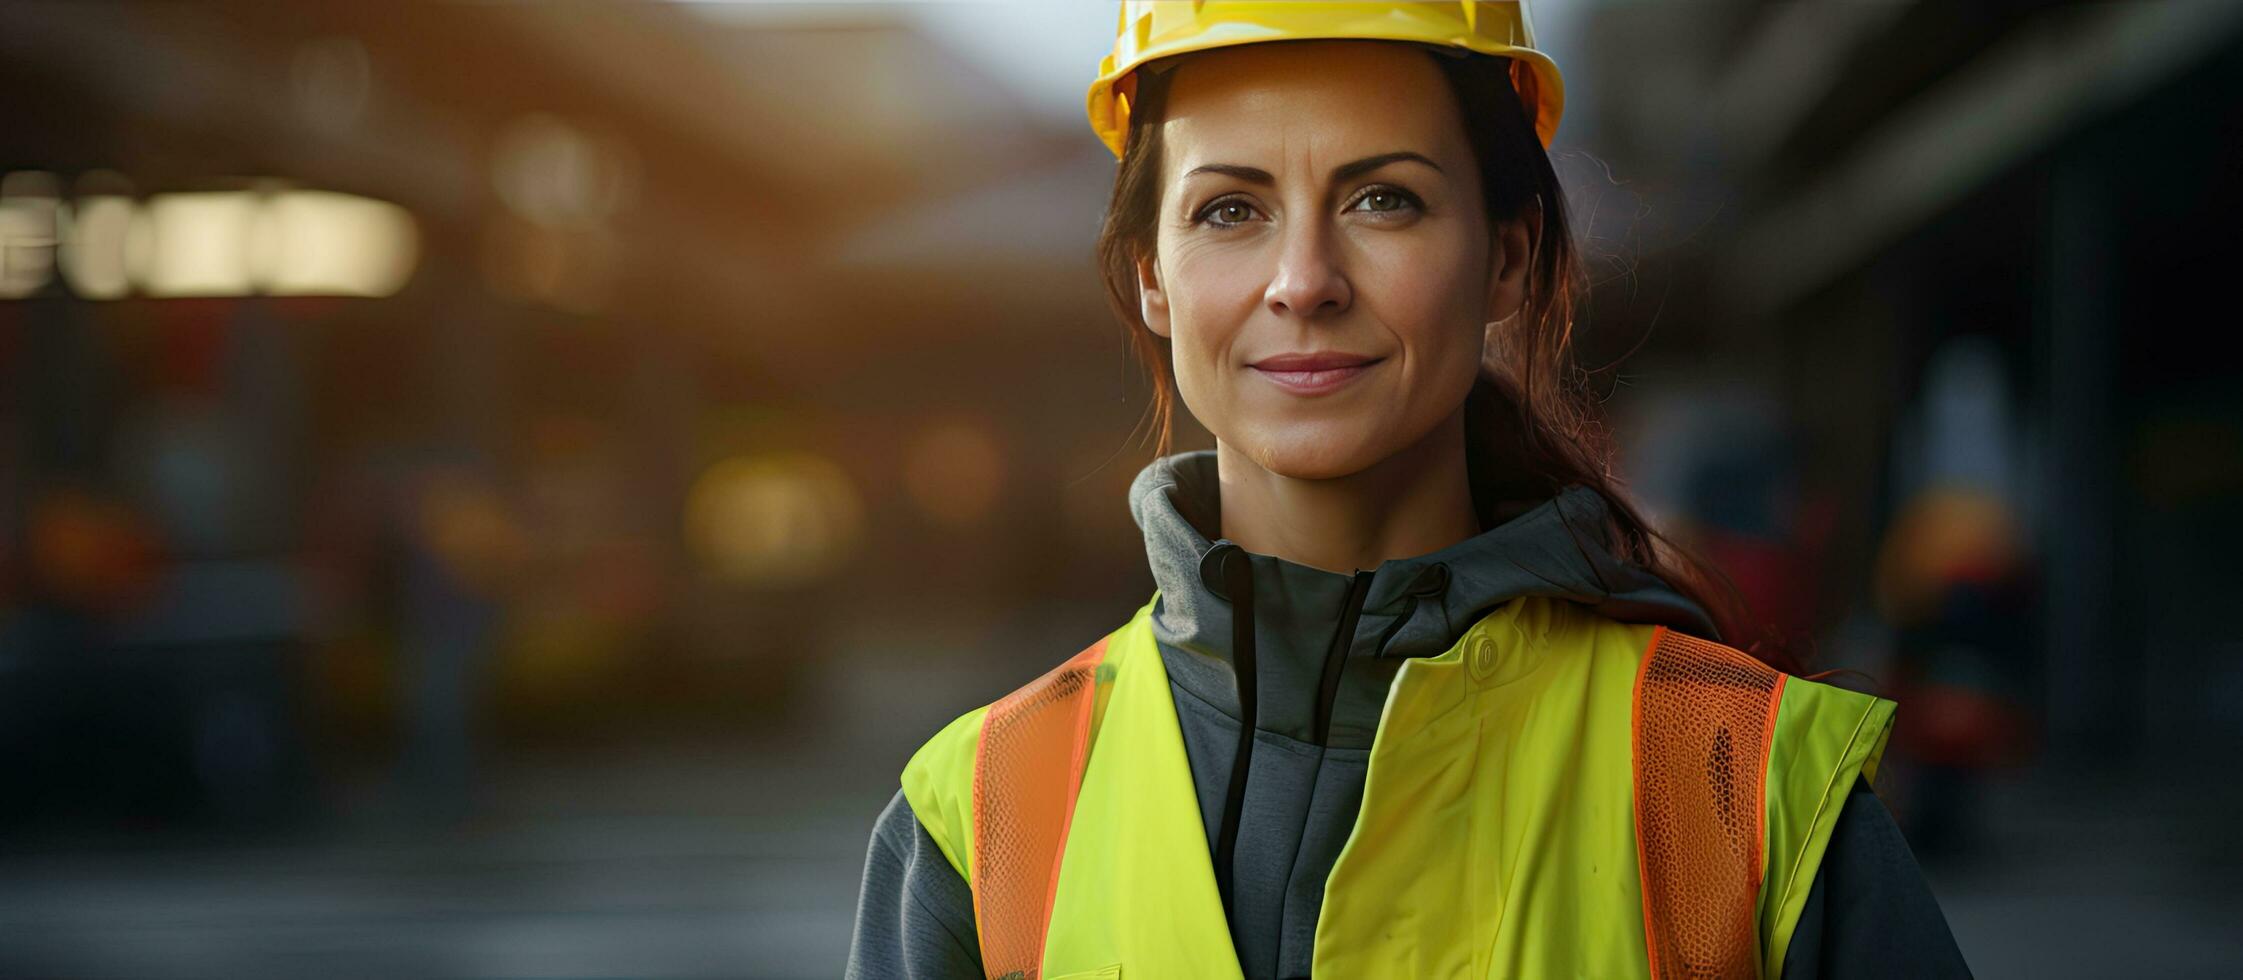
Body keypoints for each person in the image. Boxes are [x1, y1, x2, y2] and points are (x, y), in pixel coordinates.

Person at [847, 4, 1971, 977]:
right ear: (1149, 272)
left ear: (1508, 258)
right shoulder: (981, 816)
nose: (1302, 282)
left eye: (1382, 199)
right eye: (1229, 209)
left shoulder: (1742, 786)